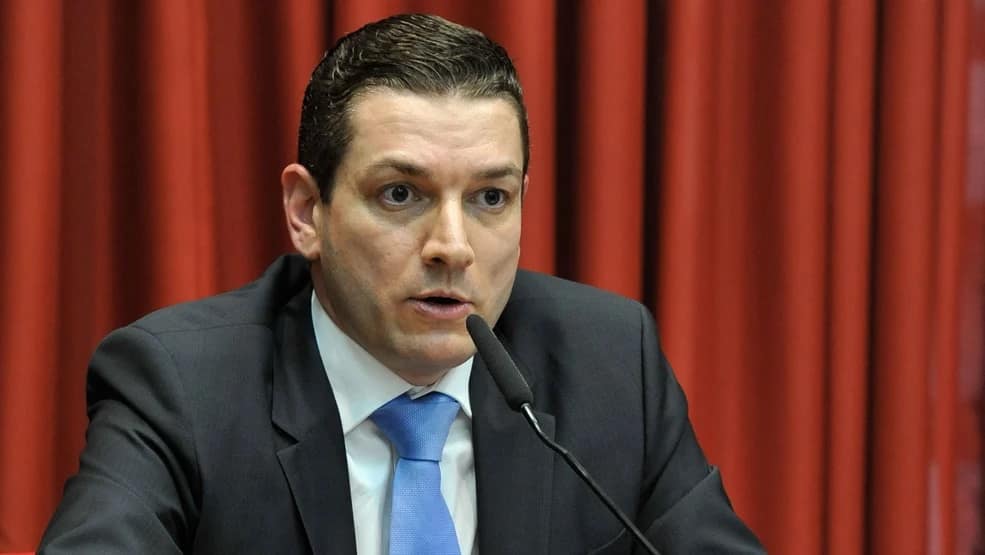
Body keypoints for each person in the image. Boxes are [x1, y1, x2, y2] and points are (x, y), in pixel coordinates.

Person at [39, 13, 764, 554]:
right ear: (306, 213)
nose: (452, 246)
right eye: (400, 194)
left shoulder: (609, 364)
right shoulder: (184, 388)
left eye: (489, 198)